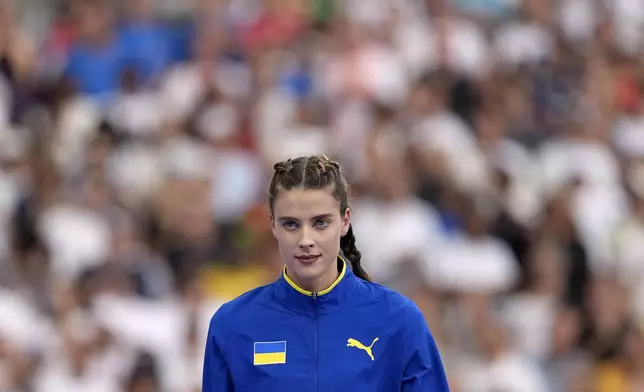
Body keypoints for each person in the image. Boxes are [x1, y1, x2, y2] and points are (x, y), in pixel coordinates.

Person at [202, 155, 450, 392]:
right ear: (273, 225)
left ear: (345, 222)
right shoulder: (232, 325)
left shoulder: (399, 320)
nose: (305, 240)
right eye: (291, 224)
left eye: (320, 222)